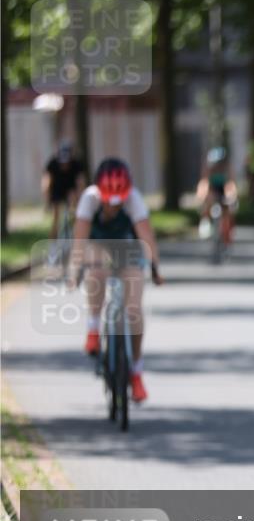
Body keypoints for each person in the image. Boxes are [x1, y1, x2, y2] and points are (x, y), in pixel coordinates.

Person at [69, 158, 164, 403]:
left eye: (118, 202)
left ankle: (136, 372)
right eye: (108, 202)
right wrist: (74, 270)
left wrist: (155, 267)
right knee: (96, 269)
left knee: (133, 309)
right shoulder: (89, 199)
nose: (112, 207)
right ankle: (93, 327)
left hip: (128, 249)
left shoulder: (134, 198)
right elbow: (80, 240)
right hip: (98, 247)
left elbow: (146, 237)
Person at [42, 142, 86, 240]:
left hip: (71, 190)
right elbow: (46, 182)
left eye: (67, 162)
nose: (64, 165)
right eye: (62, 162)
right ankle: (53, 241)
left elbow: (80, 183)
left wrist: (80, 200)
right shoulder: (52, 163)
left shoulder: (76, 164)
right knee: (56, 216)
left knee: (75, 211)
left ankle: (75, 233)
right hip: (56, 190)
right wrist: (47, 201)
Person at [197, 146, 238, 244]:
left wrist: (232, 196)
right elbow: (204, 183)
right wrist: (202, 196)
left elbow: (231, 184)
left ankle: (228, 230)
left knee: (229, 207)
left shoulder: (227, 168)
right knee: (207, 200)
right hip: (213, 191)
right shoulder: (208, 169)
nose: (217, 166)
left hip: (223, 190)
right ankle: (205, 221)